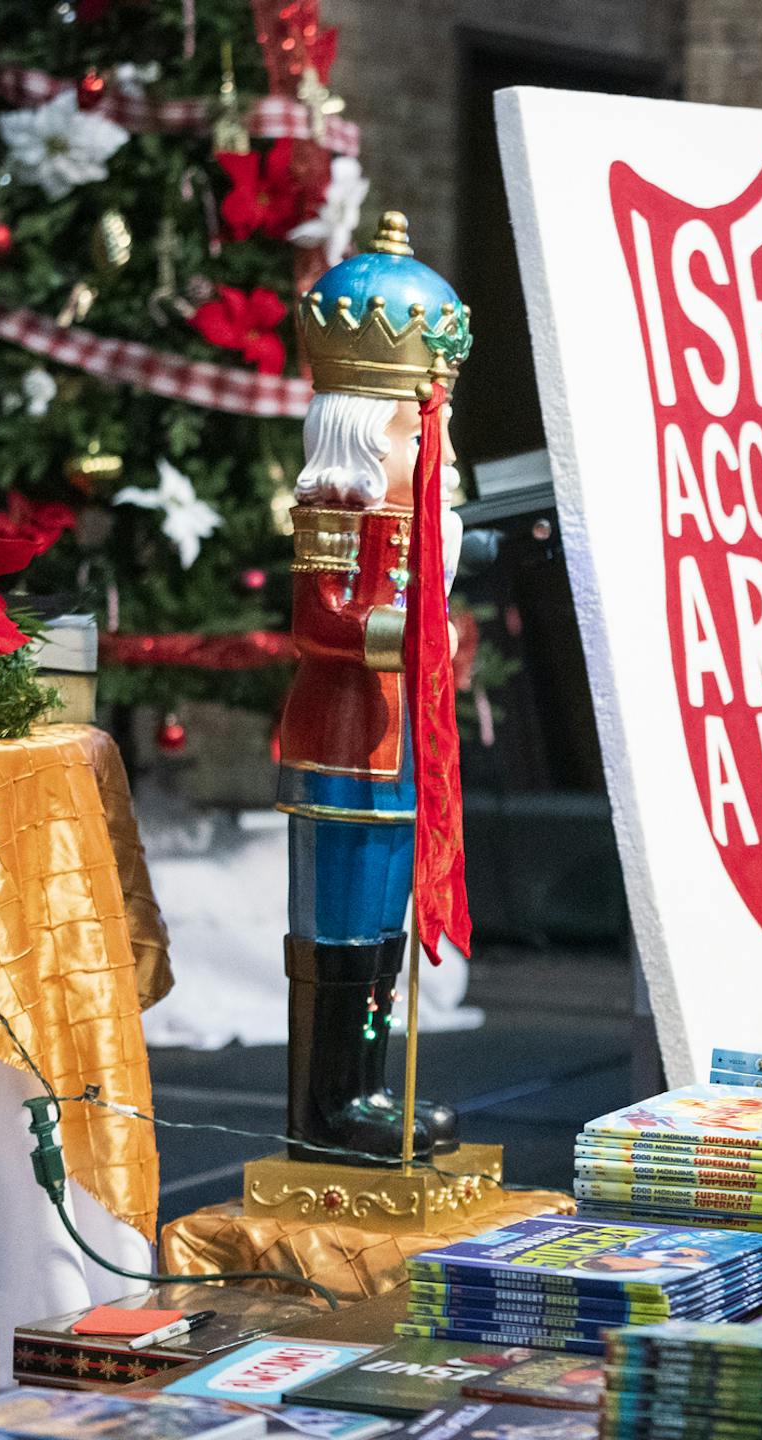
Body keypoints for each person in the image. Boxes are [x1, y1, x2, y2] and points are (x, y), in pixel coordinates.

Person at [278, 211, 471, 1162]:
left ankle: (369, 1088)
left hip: (401, 755)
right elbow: (319, 622)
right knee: (339, 931)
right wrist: (408, 634)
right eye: (411, 429)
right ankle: (325, 1107)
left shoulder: (423, 524)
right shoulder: (331, 511)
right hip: (344, 749)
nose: (427, 447)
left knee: (383, 933)